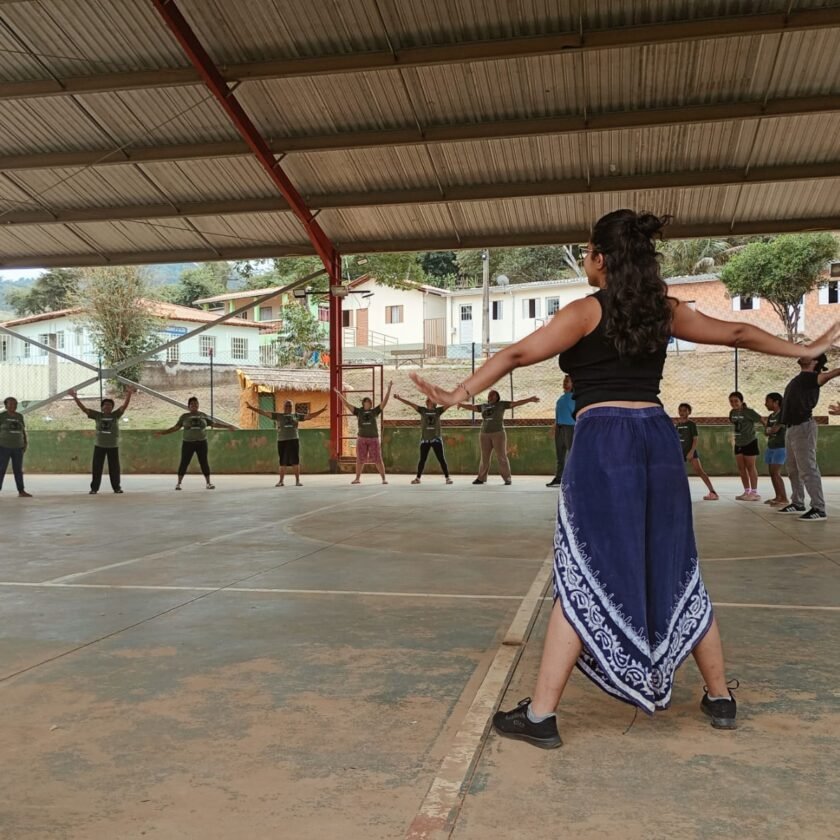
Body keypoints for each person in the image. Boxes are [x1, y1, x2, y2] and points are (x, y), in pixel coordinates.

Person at [409, 208, 839, 747]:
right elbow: (735, 332)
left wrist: (458, 394)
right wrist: (805, 349)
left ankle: (541, 717)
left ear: (601, 258)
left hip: (604, 438)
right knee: (677, 564)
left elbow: (520, 352)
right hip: (657, 437)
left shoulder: (584, 313)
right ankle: (721, 698)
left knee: (583, 569)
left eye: (589, 249)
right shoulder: (665, 311)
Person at [776, 354, 840, 520]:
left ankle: (819, 508)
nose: (802, 355)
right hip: (791, 428)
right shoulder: (798, 379)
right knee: (792, 468)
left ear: (815, 362)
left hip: (803, 427)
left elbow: (832, 373)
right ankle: (797, 502)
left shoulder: (813, 378)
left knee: (808, 469)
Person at [458, 389, 539, 485]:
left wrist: (529, 399)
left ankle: (507, 478)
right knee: (484, 457)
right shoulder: (484, 406)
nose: (490, 397)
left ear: (497, 397)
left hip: (498, 434)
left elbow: (516, 403)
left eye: (493, 395)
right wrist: (461, 404)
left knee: (502, 457)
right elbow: (472, 407)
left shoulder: (501, 405)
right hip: (484, 434)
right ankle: (481, 478)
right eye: (489, 395)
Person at [155, 396, 235, 490]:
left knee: (204, 462)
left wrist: (227, 426)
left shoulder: (203, 415)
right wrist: (162, 433)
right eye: (192, 404)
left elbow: (214, 424)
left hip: (201, 443)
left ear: (198, 405)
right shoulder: (184, 417)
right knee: (184, 462)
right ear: (188, 406)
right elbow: (176, 428)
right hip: (188, 443)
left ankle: (208, 483)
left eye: (196, 404)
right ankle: (178, 484)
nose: (194, 405)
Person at [70, 387, 135, 495]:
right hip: (99, 446)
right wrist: (75, 397)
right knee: (97, 468)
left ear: (112, 407)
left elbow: (124, 406)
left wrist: (129, 394)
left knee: (114, 469)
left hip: (113, 446)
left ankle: (116, 488)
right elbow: (84, 409)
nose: (107, 407)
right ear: (102, 407)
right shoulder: (97, 416)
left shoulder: (115, 415)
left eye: (110, 405)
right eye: (105, 405)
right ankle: (94, 489)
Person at [246, 399, 326, 487]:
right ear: (283, 407)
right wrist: (251, 408)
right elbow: (264, 413)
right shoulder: (278, 416)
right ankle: (281, 481)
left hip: (293, 440)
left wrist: (322, 410)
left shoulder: (296, 416)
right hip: (282, 440)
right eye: (287, 406)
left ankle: (297, 481)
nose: (288, 407)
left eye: (290, 406)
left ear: (292, 407)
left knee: (295, 461)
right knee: (282, 462)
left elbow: (309, 416)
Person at [335, 382, 392, 485]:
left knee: (378, 459)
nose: (367, 403)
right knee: (360, 459)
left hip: (373, 438)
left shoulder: (374, 411)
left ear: (370, 404)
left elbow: (384, 402)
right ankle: (357, 478)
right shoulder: (359, 411)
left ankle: (383, 478)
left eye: (369, 402)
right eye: (366, 402)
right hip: (362, 438)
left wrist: (388, 389)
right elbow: (347, 404)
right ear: (363, 404)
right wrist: (339, 394)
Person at [393, 393, 453, 485]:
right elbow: (410, 403)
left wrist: (460, 395)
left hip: (436, 439)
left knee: (441, 459)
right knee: (422, 459)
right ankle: (418, 478)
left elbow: (449, 404)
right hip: (425, 440)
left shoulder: (438, 411)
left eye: (432, 399)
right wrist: (399, 398)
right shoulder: (422, 410)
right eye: (429, 399)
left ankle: (447, 478)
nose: (430, 400)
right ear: (427, 402)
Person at [675, 402, 718, 500]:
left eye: (684, 411)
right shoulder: (677, 425)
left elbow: (695, 439)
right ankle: (679, 494)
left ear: (689, 412)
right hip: (680, 452)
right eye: (680, 410)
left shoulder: (691, 424)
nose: (682, 412)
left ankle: (713, 492)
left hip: (690, 452)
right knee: (678, 473)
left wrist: (691, 452)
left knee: (699, 471)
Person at [728, 391, 764, 501]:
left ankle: (754, 492)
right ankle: (746, 491)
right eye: (731, 401)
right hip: (738, 442)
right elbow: (734, 423)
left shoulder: (749, 412)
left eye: (736, 401)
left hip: (750, 441)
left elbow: (761, 419)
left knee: (750, 467)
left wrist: (769, 430)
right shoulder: (732, 412)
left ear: (741, 401)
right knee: (741, 468)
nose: (733, 403)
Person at [547, 375, 575, 488]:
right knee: (560, 456)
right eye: (564, 381)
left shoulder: (575, 398)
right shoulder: (561, 398)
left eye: (568, 381)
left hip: (570, 428)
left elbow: (577, 414)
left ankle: (573, 478)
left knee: (572, 455)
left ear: (574, 384)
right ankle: (558, 478)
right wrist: (554, 427)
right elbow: (558, 414)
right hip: (560, 428)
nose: (565, 383)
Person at [0, 396, 31, 498]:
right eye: (11, 404)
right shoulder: (2, 416)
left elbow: (22, 430)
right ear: (6, 405)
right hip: (4, 446)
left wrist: (25, 442)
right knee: (1, 469)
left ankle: (21, 491)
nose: (14, 406)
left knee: (18, 469)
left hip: (18, 447)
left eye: (15, 404)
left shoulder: (19, 416)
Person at [763, 392, 789, 508]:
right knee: (772, 473)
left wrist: (770, 430)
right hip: (771, 446)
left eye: (768, 401)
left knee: (775, 472)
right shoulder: (771, 416)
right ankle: (777, 496)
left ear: (776, 402)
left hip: (781, 447)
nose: (765, 404)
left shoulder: (783, 415)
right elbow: (767, 431)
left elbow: (775, 429)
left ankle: (784, 498)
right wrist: (770, 430)